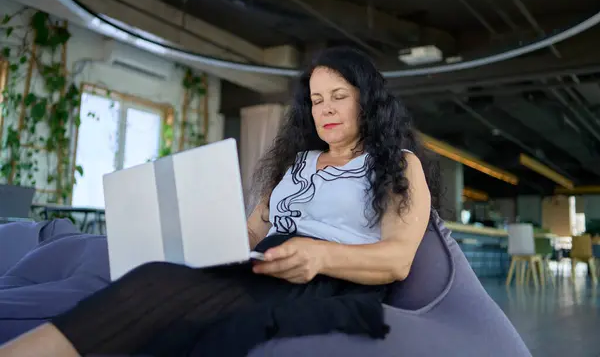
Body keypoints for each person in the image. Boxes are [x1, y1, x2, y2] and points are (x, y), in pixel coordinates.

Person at [0, 47, 438, 357]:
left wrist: (320, 255)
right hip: (265, 266)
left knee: (167, 299)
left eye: (339, 96)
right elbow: (254, 230)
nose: (325, 108)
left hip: (330, 282)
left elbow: (397, 259)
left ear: (368, 99)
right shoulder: (298, 162)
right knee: (158, 275)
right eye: (317, 99)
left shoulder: (397, 164)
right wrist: (202, 238)